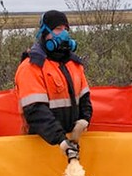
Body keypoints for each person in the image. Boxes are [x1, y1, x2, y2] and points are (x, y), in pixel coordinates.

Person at [15, 10, 92, 162]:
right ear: (45, 33)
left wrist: (84, 120)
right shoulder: (31, 67)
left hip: (71, 145)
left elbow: (85, 99)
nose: (63, 34)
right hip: (41, 145)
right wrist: (61, 140)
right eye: (58, 29)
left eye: (65, 29)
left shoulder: (74, 64)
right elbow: (36, 111)